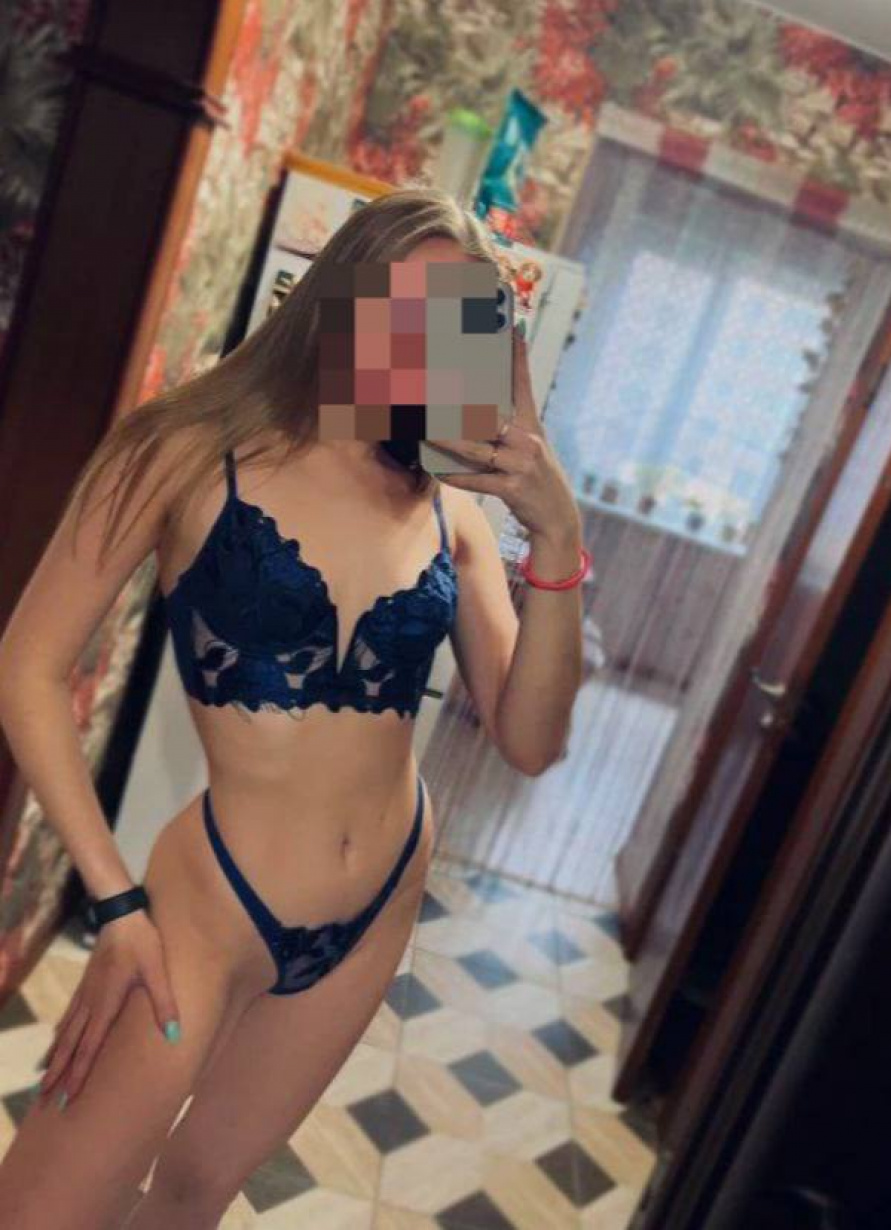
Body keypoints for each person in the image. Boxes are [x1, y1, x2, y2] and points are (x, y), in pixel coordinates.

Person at [0, 186, 586, 1230]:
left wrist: (555, 539)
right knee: (47, 1208)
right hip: (213, 903)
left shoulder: (448, 504)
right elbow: (27, 669)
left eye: (455, 325)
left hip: (378, 903)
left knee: (195, 1196)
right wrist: (114, 901)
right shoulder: (182, 449)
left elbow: (532, 741)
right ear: (340, 304)